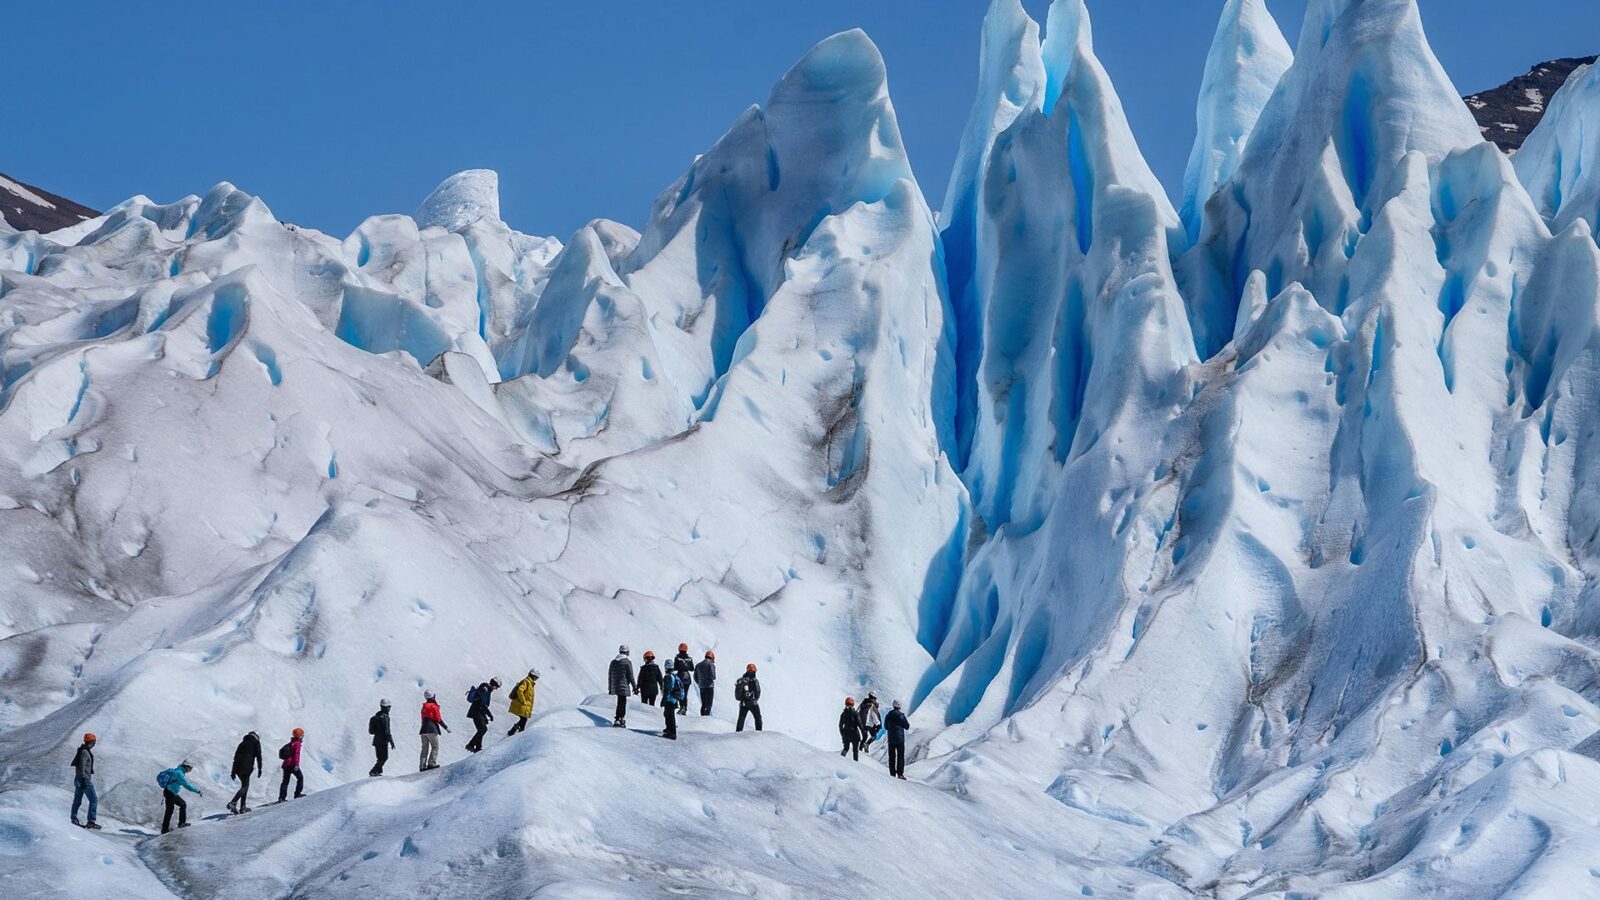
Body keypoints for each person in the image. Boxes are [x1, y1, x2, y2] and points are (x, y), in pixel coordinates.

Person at [157, 761, 201, 834]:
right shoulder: (179, 773)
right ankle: (165, 829)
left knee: (182, 804)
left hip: (171, 792)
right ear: (186, 767)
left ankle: (181, 824)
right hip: (170, 792)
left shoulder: (179, 771)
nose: (190, 770)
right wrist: (197, 791)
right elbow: (186, 785)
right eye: (190, 769)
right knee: (169, 810)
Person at [227, 731, 262, 813]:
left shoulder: (242, 743)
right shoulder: (256, 742)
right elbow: (259, 756)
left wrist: (233, 772)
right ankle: (233, 802)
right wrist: (260, 769)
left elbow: (235, 758)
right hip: (247, 767)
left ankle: (243, 807)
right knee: (245, 787)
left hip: (238, 768)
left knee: (244, 786)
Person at [70, 733, 99, 829]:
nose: (94, 745)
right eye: (93, 743)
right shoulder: (85, 752)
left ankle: (74, 819)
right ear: (90, 742)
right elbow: (82, 766)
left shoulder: (82, 751)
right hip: (84, 779)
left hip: (79, 779)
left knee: (77, 800)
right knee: (93, 799)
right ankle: (91, 821)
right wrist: (83, 779)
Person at [465, 678, 500, 752]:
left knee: (481, 729)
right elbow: (482, 704)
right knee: (483, 729)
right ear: (494, 684)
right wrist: (489, 714)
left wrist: (484, 717)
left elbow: (483, 704)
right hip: (476, 712)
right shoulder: (485, 689)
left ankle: (478, 747)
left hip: (478, 712)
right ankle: (471, 745)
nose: (496, 689)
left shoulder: (487, 690)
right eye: (496, 687)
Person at [420, 690, 449, 771]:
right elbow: (438, 719)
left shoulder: (424, 707)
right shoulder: (434, 706)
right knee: (435, 747)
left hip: (423, 730)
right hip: (432, 729)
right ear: (433, 696)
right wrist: (446, 727)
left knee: (424, 748)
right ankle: (431, 763)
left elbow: (422, 719)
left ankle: (422, 766)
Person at [609, 645, 635, 727]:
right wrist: (635, 687)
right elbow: (630, 676)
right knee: (622, 702)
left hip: (615, 686)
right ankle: (620, 718)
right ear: (627, 652)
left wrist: (610, 687)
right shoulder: (627, 662)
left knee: (619, 702)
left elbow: (610, 675)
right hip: (624, 686)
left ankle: (617, 718)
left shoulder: (613, 662)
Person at [507, 669, 538, 735]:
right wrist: (523, 701)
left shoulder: (529, 683)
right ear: (533, 676)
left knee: (524, 719)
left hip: (522, 706)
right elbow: (520, 690)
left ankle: (514, 732)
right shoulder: (526, 682)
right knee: (524, 719)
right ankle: (517, 733)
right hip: (521, 705)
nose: (536, 679)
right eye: (536, 677)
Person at [885, 699, 911, 779]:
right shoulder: (901, 716)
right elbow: (907, 726)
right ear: (900, 706)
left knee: (892, 756)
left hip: (891, 739)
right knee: (900, 756)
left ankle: (892, 773)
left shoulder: (888, 715)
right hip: (900, 739)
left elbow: (886, 727)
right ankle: (900, 774)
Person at [278, 728, 305, 801]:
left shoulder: (291, 743)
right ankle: (297, 794)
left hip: (285, 764)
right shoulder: (297, 744)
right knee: (300, 778)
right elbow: (297, 754)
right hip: (292, 764)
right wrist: (296, 764)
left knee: (285, 781)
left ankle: (281, 798)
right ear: (300, 736)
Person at [369, 701, 395, 776]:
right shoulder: (386, 717)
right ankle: (374, 771)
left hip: (376, 740)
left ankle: (377, 772)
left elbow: (371, 731)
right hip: (383, 740)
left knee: (380, 757)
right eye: (389, 707)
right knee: (384, 757)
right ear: (386, 707)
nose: (390, 709)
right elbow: (387, 730)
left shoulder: (374, 717)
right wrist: (391, 741)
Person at [735, 663, 763, 732]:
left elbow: (738, 696)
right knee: (757, 718)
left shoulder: (742, 680)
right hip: (753, 703)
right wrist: (754, 699)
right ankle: (759, 733)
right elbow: (758, 693)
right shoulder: (754, 680)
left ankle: (737, 734)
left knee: (741, 719)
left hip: (743, 704)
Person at [661, 667, 683, 740]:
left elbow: (667, 689)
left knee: (669, 715)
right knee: (669, 715)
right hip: (674, 699)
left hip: (669, 698)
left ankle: (671, 732)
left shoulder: (668, 677)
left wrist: (663, 700)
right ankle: (669, 729)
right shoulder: (675, 676)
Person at [672, 645, 694, 715]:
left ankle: (682, 707)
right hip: (687, 677)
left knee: (680, 692)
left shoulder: (677, 658)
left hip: (680, 676)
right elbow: (692, 668)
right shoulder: (689, 659)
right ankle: (684, 707)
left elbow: (675, 668)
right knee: (685, 693)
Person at [694, 651, 717, 716]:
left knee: (703, 704)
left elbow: (695, 677)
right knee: (709, 704)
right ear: (712, 657)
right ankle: (706, 718)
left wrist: (699, 683)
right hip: (709, 686)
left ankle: (702, 717)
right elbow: (713, 677)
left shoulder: (698, 665)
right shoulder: (711, 665)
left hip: (701, 686)